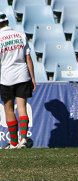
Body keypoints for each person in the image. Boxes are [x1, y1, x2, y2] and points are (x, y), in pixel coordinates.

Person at [0, 12, 36, 149]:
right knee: (22, 108)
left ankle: (13, 143)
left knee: (8, 109)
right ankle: (23, 140)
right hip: (22, 75)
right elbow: (28, 58)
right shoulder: (20, 35)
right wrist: (32, 77)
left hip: (5, 78)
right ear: (7, 21)